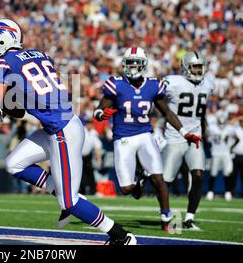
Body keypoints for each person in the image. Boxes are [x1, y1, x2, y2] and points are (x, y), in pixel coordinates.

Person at [0, 18, 136, 245]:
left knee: (70, 203)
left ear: (3, 40)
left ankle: (121, 236)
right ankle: (61, 188)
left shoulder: (2, 63)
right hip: (58, 125)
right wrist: (8, 104)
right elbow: (25, 104)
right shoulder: (39, 54)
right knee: (13, 163)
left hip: (62, 131)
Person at [93, 47, 202, 231]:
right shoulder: (116, 84)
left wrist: (184, 132)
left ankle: (166, 219)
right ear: (124, 64)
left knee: (159, 179)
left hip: (145, 135)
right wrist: (101, 115)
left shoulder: (153, 85)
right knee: (127, 189)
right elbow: (98, 110)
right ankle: (139, 179)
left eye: (136, 62)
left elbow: (167, 112)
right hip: (123, 138)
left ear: (143, 65)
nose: (133, 66)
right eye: (130, 63)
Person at [162, 51, 214, 230]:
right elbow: (158, 100)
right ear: (185, 67)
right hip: (175, 136)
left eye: (201, 66)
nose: (199, 70)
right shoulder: (173, 82)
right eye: (195, 66)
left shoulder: (208, 84)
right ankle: (166, 216)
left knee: (198, 175)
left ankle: (189, 218)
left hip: (195, 136)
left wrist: (203, 130)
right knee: (166, 181)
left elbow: (202, 112)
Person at [206, 113, 236, 201]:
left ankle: (228, 192)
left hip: (225, 153)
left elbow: (236, 138)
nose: (221, 125)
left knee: (227, 173)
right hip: (216, 153)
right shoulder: (213, 128)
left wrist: (231, 148)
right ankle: (210, 192)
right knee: (213, 173)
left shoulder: (229, 129)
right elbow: (207, 137)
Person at [80, 119, 103, 195]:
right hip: (79, 156)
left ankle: (93, 191)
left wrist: (99, 158)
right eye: (88, 124)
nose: (90, 125)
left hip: (87, 157)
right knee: (80, 175)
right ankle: (80, 191)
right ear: (86, 124)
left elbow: (97, 146)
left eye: (91, 124)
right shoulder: (81, 131)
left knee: (90, 174)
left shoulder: (93, 133)